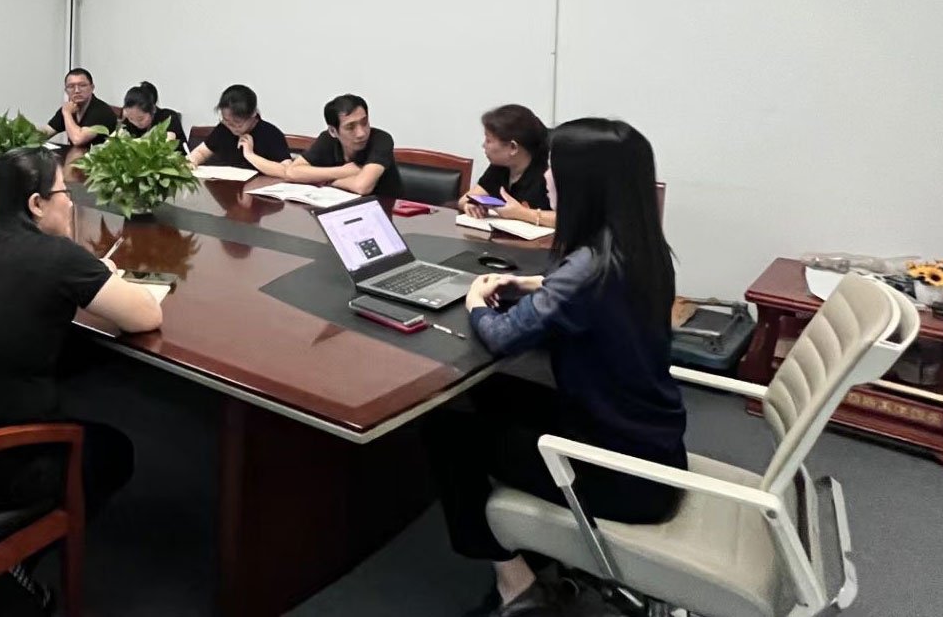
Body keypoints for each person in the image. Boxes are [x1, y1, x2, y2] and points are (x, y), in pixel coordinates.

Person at [423, 118, 686, 616]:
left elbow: (502, 336)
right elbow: (584, 292)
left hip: (618, 473)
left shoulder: (589, 270)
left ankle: (515, 584)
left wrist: (477, 300)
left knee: (445, 430)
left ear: (584, 183)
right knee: (491, 394)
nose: (545, 177)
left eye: (553, 169)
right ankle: (539, 547)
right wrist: (532, 285)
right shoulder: (641, 248)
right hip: (651, 443)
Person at [0, 148, 163, 611]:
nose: (71, 202)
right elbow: (146, 315)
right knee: (112, 451)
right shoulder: (58, 256)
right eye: (65, 192)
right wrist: (102, 274)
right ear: (36, 204)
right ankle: (6, 566)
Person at [286, 94, 402, 197]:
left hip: (384, 208)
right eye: (350, 127)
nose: (361, 133)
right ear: (333, 131)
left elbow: (362, 187)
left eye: (364, 122)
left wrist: (326, 181)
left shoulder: (381, 139)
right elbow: (292, 172)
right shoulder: (327, 139)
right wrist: (344, 171)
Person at [461, 104, 554, 229]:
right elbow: (465, 199)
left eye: (488, 140)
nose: (483, 145)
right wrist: (470, 205)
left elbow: (568, 220)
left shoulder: (547, 175)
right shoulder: (499, 168)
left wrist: (521, 213)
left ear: (513, 147)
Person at [185, 84, 291, 176]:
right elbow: (202, 152)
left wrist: (250, 155)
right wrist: (193, 160)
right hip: (226, 187)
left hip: (260, 190)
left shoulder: (270, 134)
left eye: (237, 122)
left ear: (253, 114)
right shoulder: (223, 129)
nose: (231, 127)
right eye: (226, 120)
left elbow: (286, 170)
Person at [40, 67, 119, 147]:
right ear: (66, 90)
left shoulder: (101, 110)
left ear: (92, 88)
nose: (77, 90)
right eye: (71, 86)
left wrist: (67, 114)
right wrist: (32, 133)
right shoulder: (70, 107)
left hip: (103, 154)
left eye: (82, 85)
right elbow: (46, 132)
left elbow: (78, 139)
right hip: (76, 154)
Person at [119, 81, 188, 150]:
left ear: (153, 109)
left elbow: (169, 145)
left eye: (140, 119)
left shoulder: (169, 118)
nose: (136, 123)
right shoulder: (128, 122)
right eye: (131, 118)